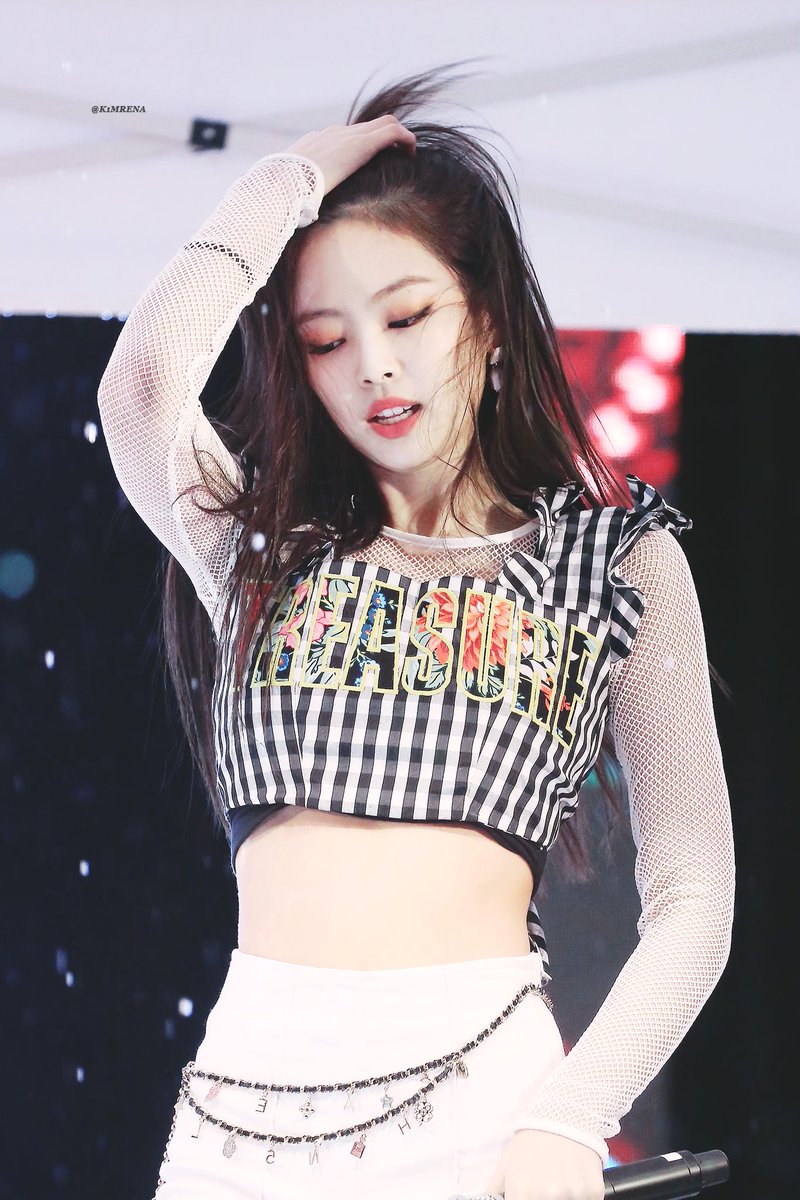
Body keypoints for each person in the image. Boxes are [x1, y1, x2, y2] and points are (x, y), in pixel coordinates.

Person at [96, 60, 735, 1200]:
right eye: (324, 339)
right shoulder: (257, 548)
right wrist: (287, 182)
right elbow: (141, 387)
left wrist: (570, 1118)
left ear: (485, 317)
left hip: (483, 1122)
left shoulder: (611, 563)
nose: (374, 366)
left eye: (405, 315)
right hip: (240, 1129)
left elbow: (695, 895)